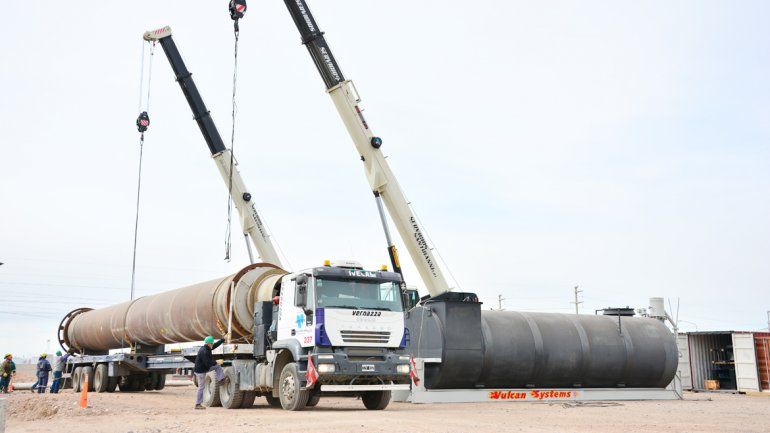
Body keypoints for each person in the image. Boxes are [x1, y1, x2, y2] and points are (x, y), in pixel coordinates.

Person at [193, 335, 225, 410]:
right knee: (201, 387)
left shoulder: (207, 348)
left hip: (202, 369)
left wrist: (222, 340)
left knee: (217, 367)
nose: (212, 344)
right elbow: (208, 363)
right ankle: (198, 404)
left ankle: (221, 380)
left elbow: (215, 345)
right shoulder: (205, 351)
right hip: (201, 371)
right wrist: (216, 361)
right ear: (209, 343)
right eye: (212, 343)